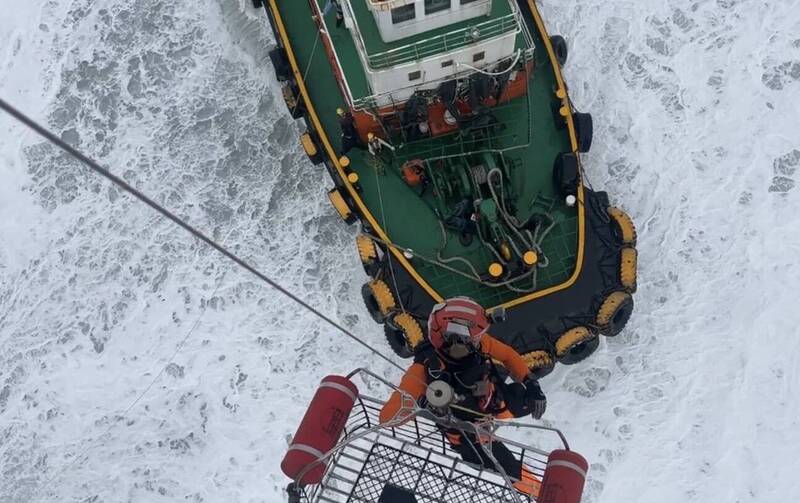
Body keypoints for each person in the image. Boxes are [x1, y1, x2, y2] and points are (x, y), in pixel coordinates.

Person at [379, 297, 546, 496]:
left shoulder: (478, 343)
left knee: (524, 399)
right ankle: (541, 494)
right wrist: (423, 403)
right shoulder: (423, 370)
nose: (477, 341)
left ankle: (501, 410)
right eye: (473, 338)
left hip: (491, 401)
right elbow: (387, 418)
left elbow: (508, 355)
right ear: (453, 339)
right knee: (510, 469)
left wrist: (530, 382)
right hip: (468, 435)